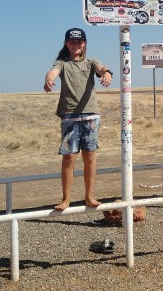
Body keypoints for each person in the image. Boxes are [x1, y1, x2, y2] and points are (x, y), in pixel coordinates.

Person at [44, 27, 113, 210]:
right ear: (67, 44)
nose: (76, 45)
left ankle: (89, 196)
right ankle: (66, 199)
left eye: (79, 42)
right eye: (72, 42)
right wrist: (49, 80)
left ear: (84, 44)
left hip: (90, 115)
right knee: (69, 158)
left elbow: (101, 68)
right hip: (70, 116)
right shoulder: (62, 63)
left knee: (90, 156)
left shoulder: (90, 62)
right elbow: (52, 72)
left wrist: (107, 73)